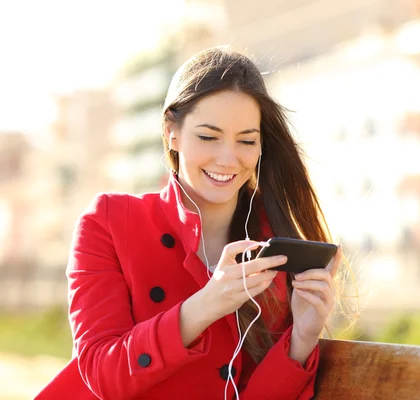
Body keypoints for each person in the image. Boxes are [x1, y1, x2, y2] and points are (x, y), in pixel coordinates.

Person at [36, 46, 349, 400]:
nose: (228, 158)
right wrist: (207, 304)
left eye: (247, 140)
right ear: (172, 131)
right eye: (208, 137)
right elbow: (102, 375)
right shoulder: (110, 222)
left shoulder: (275, 249)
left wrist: (302, 340)